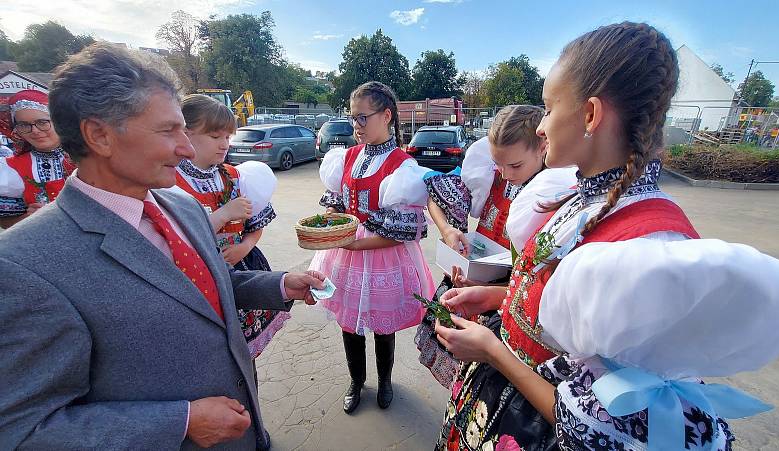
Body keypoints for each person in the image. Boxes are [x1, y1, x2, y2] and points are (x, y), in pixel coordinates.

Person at [0, 42, 325, 450]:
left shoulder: (182, 206)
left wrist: (278, 285)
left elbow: (201, 289)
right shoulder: (23, 264)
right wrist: (180, 423)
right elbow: (23, 430)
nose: (187, 148)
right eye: (169, 131)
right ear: (99, 135)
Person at [433, 22, 740, 450]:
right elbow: (565, 316)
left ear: (591, 114)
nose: (541, 127)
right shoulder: (581, 199)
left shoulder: (647, 251)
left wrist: (493, 353)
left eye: (549, 108)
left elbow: (607, 423)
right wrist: (497, 298)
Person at [416, 106, 575, 388]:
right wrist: (449, 230)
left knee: (485, 383)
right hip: (467, 286)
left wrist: (493, 288)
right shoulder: (492, 176)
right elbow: (433, 196)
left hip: (508, 306)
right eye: (498, 164)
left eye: (514, 166)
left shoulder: (556, 197)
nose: (504, 173)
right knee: (459, 376)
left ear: (543, 147)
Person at [309, 81, 435, 414]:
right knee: (349, 324)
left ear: (387, 116)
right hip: (345, 253)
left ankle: (385, 382)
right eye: (353, 118)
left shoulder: (402, 165)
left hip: (380, 254)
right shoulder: (347, 157)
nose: (356, 126)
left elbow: (402, 233)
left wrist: (354, 243)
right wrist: (332, 218)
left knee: (382, 328)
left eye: (363, 118)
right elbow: (338, 201)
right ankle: (355, 381)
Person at [176, 94, 290, 369]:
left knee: (243, 360)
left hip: (239, 277)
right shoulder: (171, 183)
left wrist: (244, 247)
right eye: (216, 136)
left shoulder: (236, 176)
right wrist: (225, 214)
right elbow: (179, 238)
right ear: (186, 133)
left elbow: (256, 228)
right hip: (194, 282)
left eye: (228, 137)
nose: (225, 144)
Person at [0, 90, 73, 228]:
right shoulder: (12, 168)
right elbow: (5, 222)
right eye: (24, 125)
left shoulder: (89, 155)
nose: (35, 130)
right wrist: (28, 218)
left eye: (42, 122)